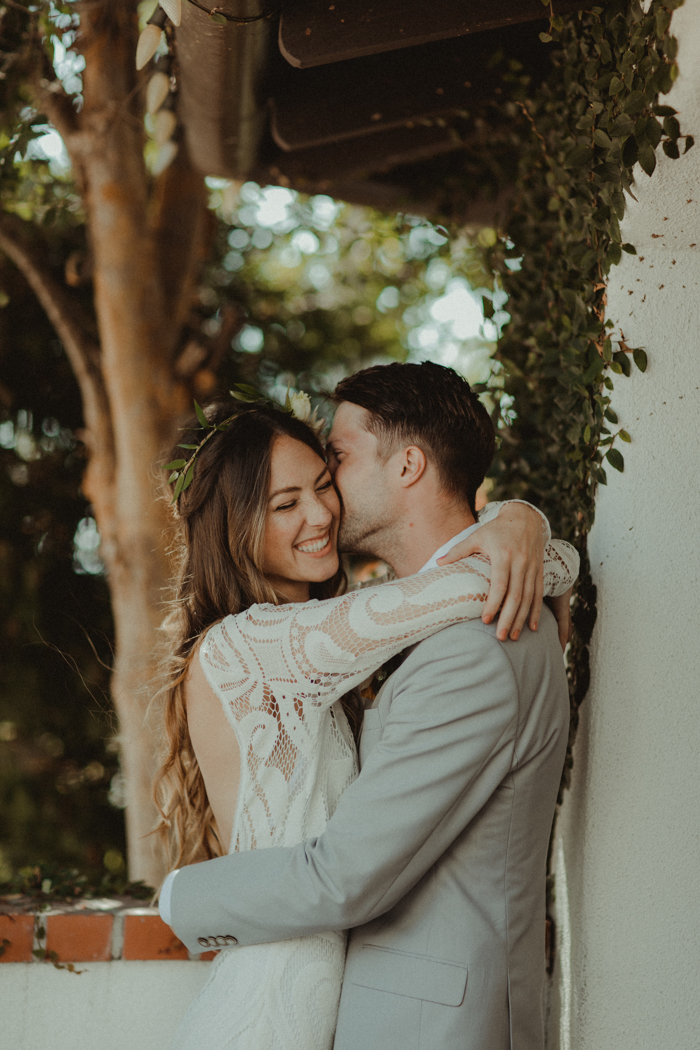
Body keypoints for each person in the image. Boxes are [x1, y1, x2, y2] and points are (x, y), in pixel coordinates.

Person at [157, 362, 578, 1050]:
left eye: (330, 473)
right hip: (280, 1006)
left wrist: (524, 533)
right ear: (236, 522)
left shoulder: (465, 641)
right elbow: (449, 588)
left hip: (408, 1015)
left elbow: (349, 874)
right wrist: (525, 532)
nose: (323, 510)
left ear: (408, 465)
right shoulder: (254, 643)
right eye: (284, 502)